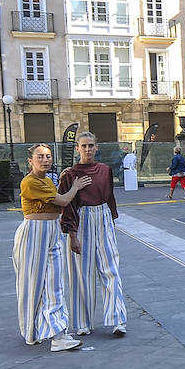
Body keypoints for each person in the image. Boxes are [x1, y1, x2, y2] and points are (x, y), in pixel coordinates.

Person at [14, 144, 91, 352]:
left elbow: (58, 205)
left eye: (48, 156)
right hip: (34, 233)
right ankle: (33, 331)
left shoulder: (46, 180)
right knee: (32, 284)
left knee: (55, 284)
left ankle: (58, 334)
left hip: (51, 230)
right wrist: (75, 187)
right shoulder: (29, 182)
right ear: (30, 160)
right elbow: (64, 200)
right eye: (40, 156)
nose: (45, 160)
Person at [59, 132, 128, 337]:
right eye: (84, 146)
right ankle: (82, 322)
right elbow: (68, 206)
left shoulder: (105, 170)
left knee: (112, 270)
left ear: (96, 147)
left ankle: (118, 319)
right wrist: (72, 235)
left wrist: (111, 225)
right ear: (77, 148)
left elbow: (110, 197)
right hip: (82, 220)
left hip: (103, 217)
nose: (87, 149)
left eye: (91, 145)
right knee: (81, 273)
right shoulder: (69, 174)